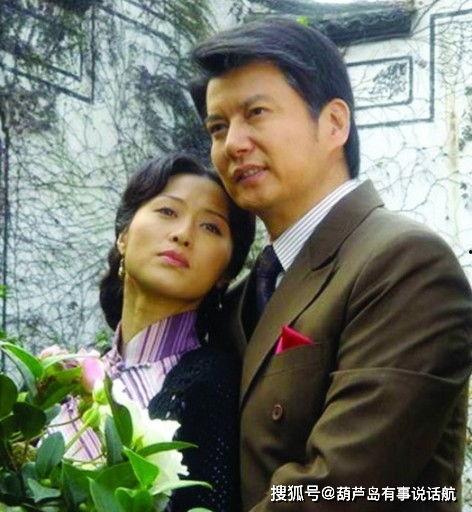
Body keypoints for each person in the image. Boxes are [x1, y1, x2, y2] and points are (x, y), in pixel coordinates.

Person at [190, 18, 472, 511]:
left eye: (256, 113)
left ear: (334, 124)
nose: (232, 143)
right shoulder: (240, 300)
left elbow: (337, 490)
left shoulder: (404, 264)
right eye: (218, 127)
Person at [51, 153, 255, 511]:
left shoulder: (214, 384)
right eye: (167, 211)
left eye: (211, 227)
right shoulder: (73, 376)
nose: (182, 234)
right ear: (123, 236)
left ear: (226, 272)